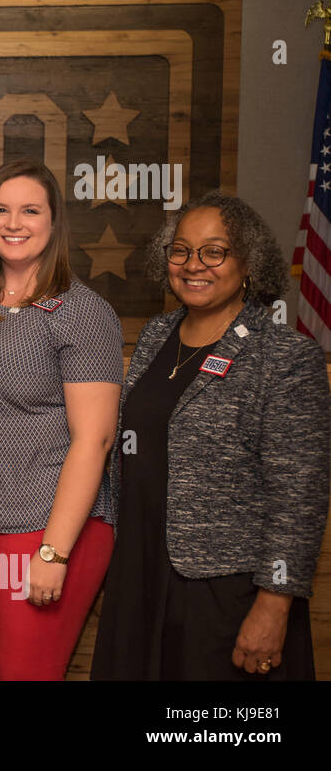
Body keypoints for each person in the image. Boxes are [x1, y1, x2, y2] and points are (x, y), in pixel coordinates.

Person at [92, 192, 329, 680]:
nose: (193, 264)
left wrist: (274, 605)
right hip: (140, 574)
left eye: (214, 251)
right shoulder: (156, 337)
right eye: (181, 250)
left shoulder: (284, 357)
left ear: (248, 263)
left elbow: (299, 499)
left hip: (225, 593)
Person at [0, 159, 123, 680]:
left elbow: (96, 439)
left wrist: (54, 552)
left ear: (53, 221)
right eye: (1, 210)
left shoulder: (80, 313)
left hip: (46, 527)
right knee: (5, 669)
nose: (13, 223)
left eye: (30, 210)